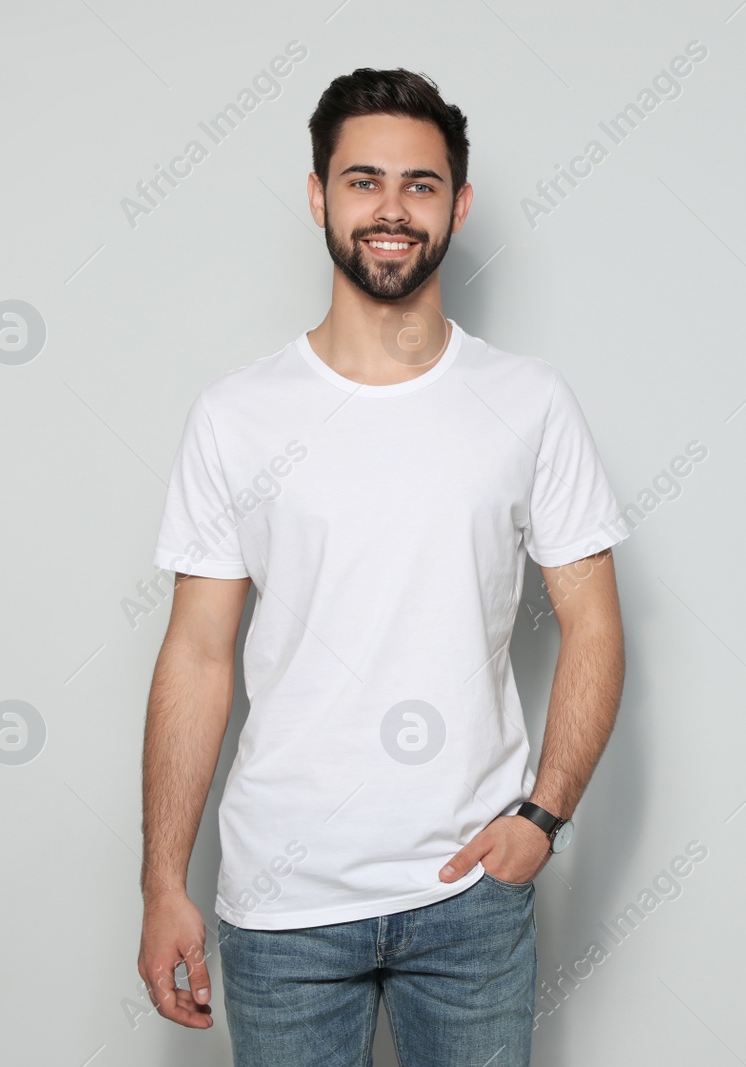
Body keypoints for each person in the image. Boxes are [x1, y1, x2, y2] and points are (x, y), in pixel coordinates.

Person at [135, 66, 630, 1067]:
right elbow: (196, 654)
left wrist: (544, 813)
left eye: (421, 183)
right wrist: (162, 882)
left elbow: (595, 622)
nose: (392, 209)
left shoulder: (527, 402)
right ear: (318, 196)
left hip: (470, 898)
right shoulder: (238, 415)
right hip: (281, 901)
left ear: (458, 204)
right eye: (363, 181)